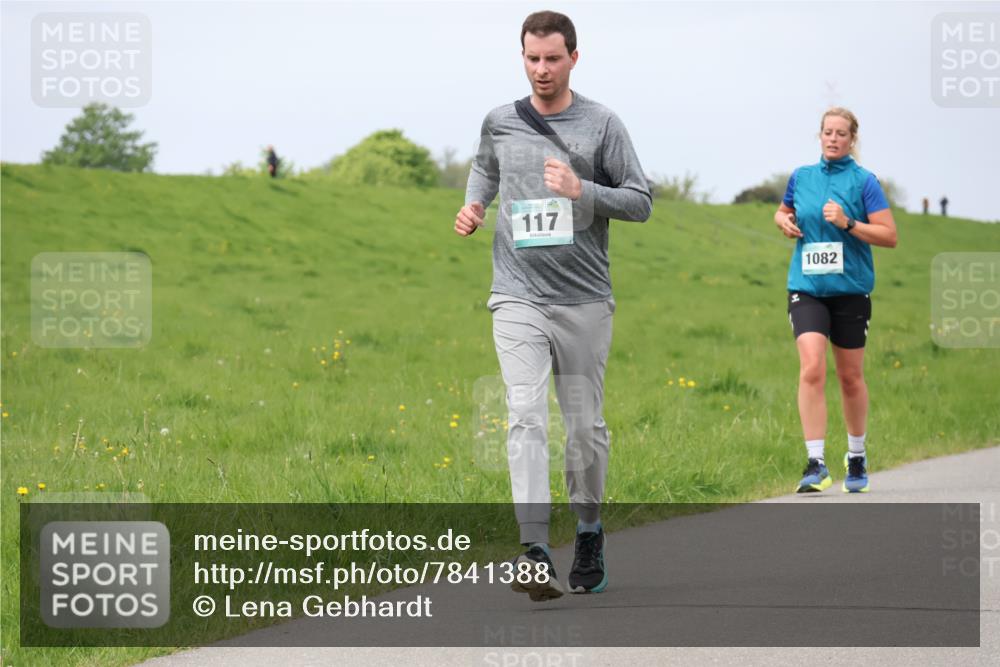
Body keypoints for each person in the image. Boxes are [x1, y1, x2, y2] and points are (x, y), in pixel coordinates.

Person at [454, 11, 652, 600]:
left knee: (584, 428)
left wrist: (580, 189)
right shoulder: (500, 120)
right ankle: (534, 549)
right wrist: (474, 206)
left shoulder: (602, 124)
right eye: (532, 58)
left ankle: (588, 531)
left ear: (573, 58)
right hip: (517, 294)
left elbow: (640, 201)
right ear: (522, 57)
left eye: (552, 59)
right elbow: (483, 169)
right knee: (525, 415)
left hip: (584, 299)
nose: (541, 69)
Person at [773, 107, 897, 495]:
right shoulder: (802, 177)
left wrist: (848, 223)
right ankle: (816, 463)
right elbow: (783, 211)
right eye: (828, 132)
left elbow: (889, 235)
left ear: (852, 139)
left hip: (850, 291)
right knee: (812, 367)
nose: (833, 139)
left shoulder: (864, 182)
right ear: (820, 135)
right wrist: (783, 222)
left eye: (841, 134)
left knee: (849, 376)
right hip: (807, 287)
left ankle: (856, 456)